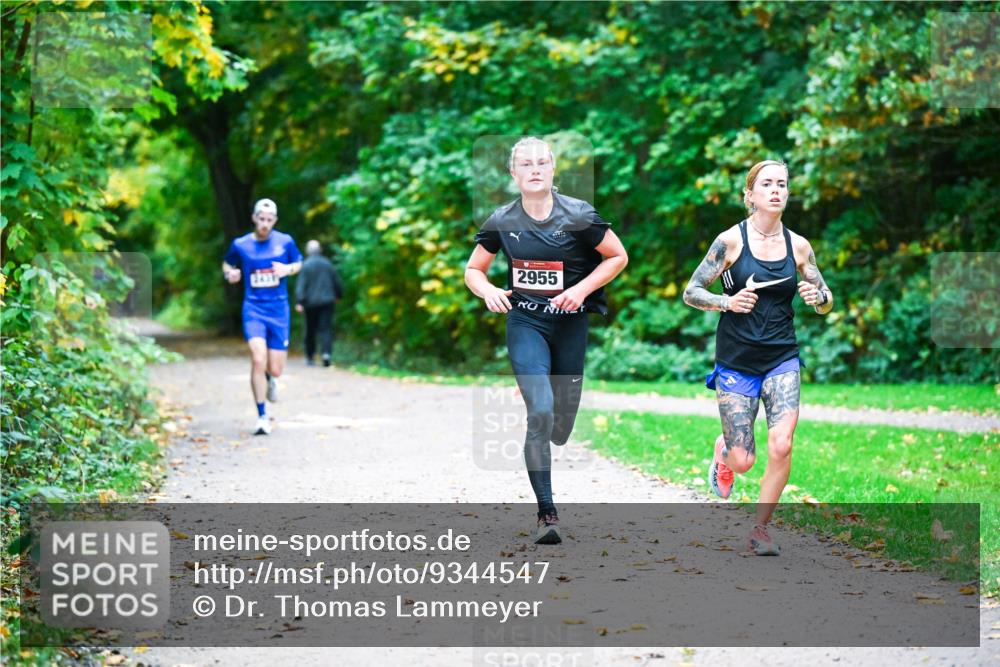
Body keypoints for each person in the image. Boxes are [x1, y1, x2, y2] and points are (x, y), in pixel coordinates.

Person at [465, 137, 629, 545]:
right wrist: (487, 291)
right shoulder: (501, 221)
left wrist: (581, 290)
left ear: (553, 169)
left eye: (542, 162)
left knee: (560, 425)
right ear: (513, 173)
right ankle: (546, 513)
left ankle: (557, 426)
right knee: (539, 410)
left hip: (570, 322)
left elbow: (617, 256)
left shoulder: (579, 215)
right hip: (526, 324)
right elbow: (474, 270)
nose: (534, 169)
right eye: (526, 163)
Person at [682, 160, 833, 555]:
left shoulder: (798, 246)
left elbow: (826, 298)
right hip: (736, 359)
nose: (776, 190)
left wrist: (819, 300)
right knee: (744, 459)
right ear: (750, 195)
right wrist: (726, 302)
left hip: (782, 356)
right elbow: (692, 291)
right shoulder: (730, 242)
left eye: (782, 184)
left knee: (781, 444)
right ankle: (724, 453)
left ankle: (760, 529)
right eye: (767, 184)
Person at [223, 198, 303, 436]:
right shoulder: (241, 245)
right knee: (258, 359)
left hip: (279, 310)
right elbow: (227, 264)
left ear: (275, 221)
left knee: (275, 369)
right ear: (254, 218)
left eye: (270, 220)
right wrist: (231, 274)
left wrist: (287, 270)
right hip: (253, 309)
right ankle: (261, 416)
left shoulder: (285, 242)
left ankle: (271, 378)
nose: (265, 224)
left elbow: (298, 262)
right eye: (261, 219)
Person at [295, 240, 344, 367]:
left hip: (310, 303)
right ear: (320, 250)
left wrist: (300, 301)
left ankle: (310, 356)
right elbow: (337, 281)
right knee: (326, 329)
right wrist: (339, 295)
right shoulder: (327, 264)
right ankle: (326, 354)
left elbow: (301, 285)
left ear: (308, 251)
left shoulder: (305, 265)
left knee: (310, 330)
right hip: (327, 301)